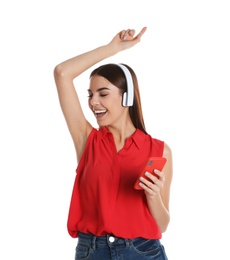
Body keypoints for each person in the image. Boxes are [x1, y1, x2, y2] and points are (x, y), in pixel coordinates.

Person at [54, 26, 173, 260]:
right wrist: (113, 49)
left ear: (126, 97)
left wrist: (153, 196)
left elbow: (163, 224)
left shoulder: (159, 150)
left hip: (144, 252)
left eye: (103, 93)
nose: (93, 102)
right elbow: (62, 73)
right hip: (92, 251)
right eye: (90, 94)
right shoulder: (87, 141)